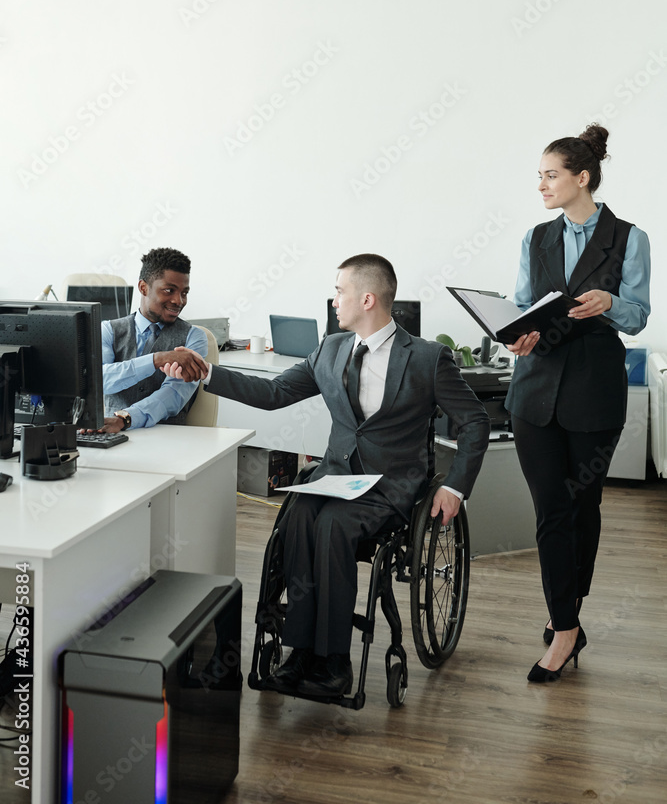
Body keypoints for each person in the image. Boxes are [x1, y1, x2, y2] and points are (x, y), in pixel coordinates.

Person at [164, 254, 490, 697]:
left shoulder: (428, 359)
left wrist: (454, 486)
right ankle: (301, 649)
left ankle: (334, 660)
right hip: (336, 476)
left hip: (391, 486)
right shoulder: (332, 348)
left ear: (368, 298)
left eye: (340, 291)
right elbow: (275, 392)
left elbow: (475, 421)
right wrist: (207, 374)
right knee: (299, 516)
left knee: (334, 526)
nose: (334, 300)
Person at [505, 124, 650, 683]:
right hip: (534, 392)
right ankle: (566, 627)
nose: (541, 184)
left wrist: (611, 301)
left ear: (581, 177)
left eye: (550, 175)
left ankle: (567, 612)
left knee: (582, 508)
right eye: (539, 175)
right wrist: (518, 334)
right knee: (550, 511)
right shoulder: (535, 238)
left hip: (594, 391)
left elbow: (637, 315)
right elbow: (522, 307)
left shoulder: (628, 238)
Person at [99, 247, 208, 433]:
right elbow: (100, 380)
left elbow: (174, 394)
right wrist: (157, 359)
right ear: (143, 287)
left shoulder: (194, 337)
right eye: (169, 290)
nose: (178, 301)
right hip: (110, 436)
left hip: (168, 439)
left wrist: (126, 418)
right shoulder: (108, 330)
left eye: (184, 293)